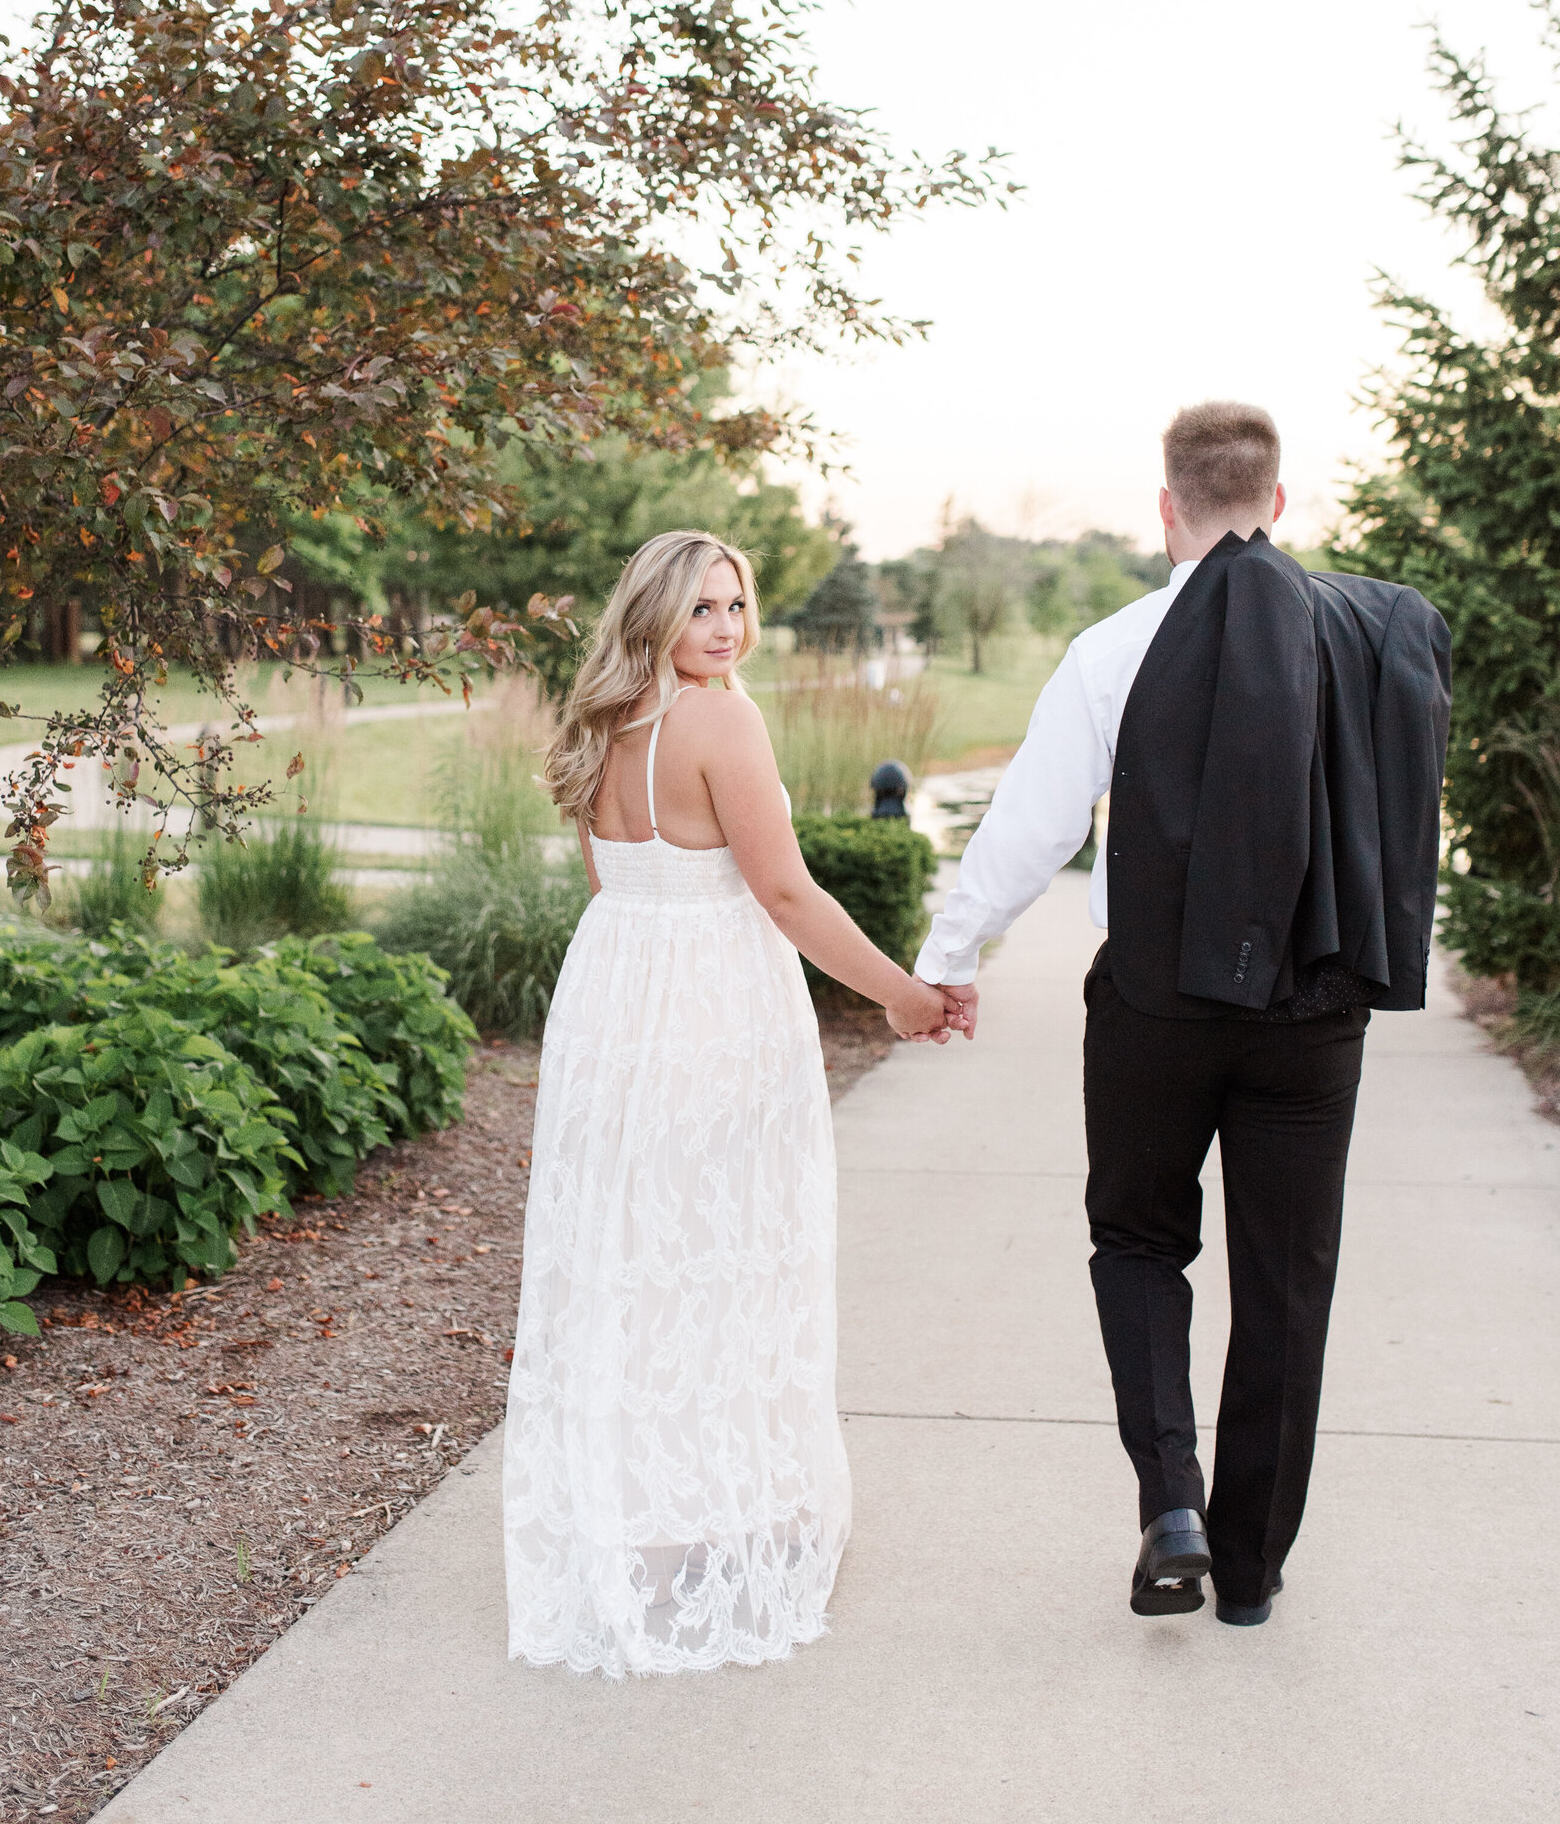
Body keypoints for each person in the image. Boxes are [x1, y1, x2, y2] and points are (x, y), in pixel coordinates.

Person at [919, 403, 1451, 1627]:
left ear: (1166, 507)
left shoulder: (1115, 647)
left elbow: (1036, 829)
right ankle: (1250, 1571)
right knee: (1286, 1281)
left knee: (1139, 1242)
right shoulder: (1362, 633)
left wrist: (951, 959)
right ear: (1280, 501)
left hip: (1157, 999)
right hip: (1314, 1015)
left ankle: (1171, 1501)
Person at [503, 529, 958, 1678]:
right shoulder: (719, 720)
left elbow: (611, 881)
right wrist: (903, 995)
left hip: (614, 1001)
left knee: (636, 1259)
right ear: (653, 613)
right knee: (729, 1247)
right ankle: (710, 1516)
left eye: (735, 604)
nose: (724, 628)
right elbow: (786, 891)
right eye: (701, 608)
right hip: (711, 1008)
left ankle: (645, 1519)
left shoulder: (604, 722)